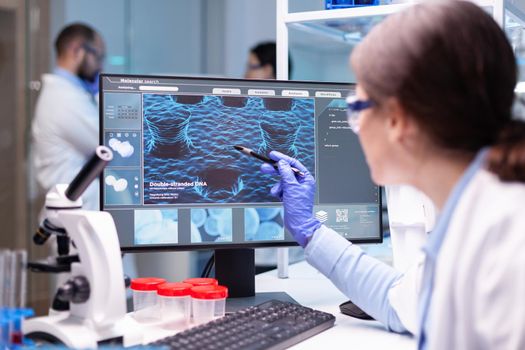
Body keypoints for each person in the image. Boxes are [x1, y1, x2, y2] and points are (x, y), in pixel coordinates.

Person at [261, 1, 525, 348]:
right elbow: (399, 301)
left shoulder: (503, 241)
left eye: (356, 107)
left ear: (397, 120)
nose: (354, 127)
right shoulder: (477, 210)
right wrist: (311, 232)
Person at [32, 23, 105, 211]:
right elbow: (107, 144)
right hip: (74, 213)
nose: (100, 65)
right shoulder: (64, 99)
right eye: (97, 56)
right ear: (77, 51)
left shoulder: (67, 94)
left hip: (74, 210)